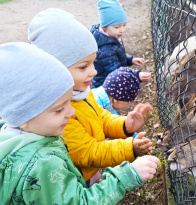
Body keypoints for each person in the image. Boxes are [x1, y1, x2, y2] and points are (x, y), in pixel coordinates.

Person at [0, 42, 160, 205]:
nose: (71, 112)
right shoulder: (43, 166)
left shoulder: (28, 131)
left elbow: (99, 116)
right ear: (23, 115)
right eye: (59, 110)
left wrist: (124, 125)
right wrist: (126, 176)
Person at [28, 8, 153, 187]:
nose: (94, 72)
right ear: (55, 69)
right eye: (83, 67)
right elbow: (87, 151)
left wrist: (124, 125)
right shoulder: (57, 113)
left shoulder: (79, 92)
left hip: (89, 170)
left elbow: (99, 116)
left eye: (93, 63)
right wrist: (129, 147)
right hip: (76, 178)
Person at [90, 0, 151, 88]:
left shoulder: (111, 36)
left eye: (124, 25)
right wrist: (137, 75)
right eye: (117, 27)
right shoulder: (105, 50)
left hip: (113, 84)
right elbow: (116, 72)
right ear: (104, 26)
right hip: (107, 89)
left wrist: (130, 60)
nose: (122, 30)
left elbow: (115, 58)